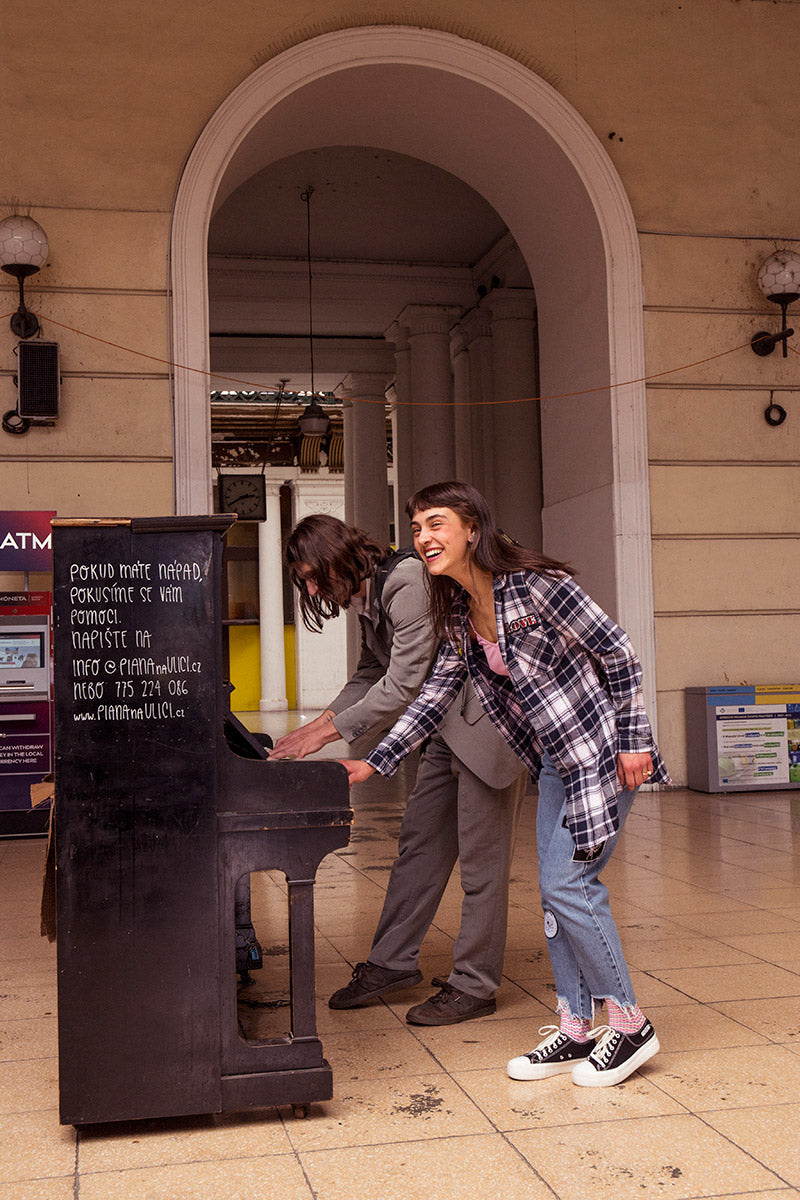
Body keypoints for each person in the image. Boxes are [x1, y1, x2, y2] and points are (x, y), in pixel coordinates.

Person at [341, 481, 671, 1088]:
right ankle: (575, 1027)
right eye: (416, 529)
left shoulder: (540, 586)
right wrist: (375, 762)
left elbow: (621, 654)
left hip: (600, 752)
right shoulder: (462, 611)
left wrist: (634, 741)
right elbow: (435, 696)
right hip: (554, 761)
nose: (423, 538)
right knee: (554, 894)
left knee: (569, 885)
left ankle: (628, 1024)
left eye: (436, 524)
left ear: (473, 529)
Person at [269, 513, 528, 1025]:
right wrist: (316, 724)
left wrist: (326, 734)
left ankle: (475, 985)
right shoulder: (369, 597)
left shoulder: (406, 583)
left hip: (488, 728)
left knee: (481, 867)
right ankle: (392, 963)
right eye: (305, 580)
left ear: (339, 556)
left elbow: (404, 681)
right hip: (442, 733)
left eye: (316, 574)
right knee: (419, 850)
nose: (315, 587)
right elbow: (372, 671)